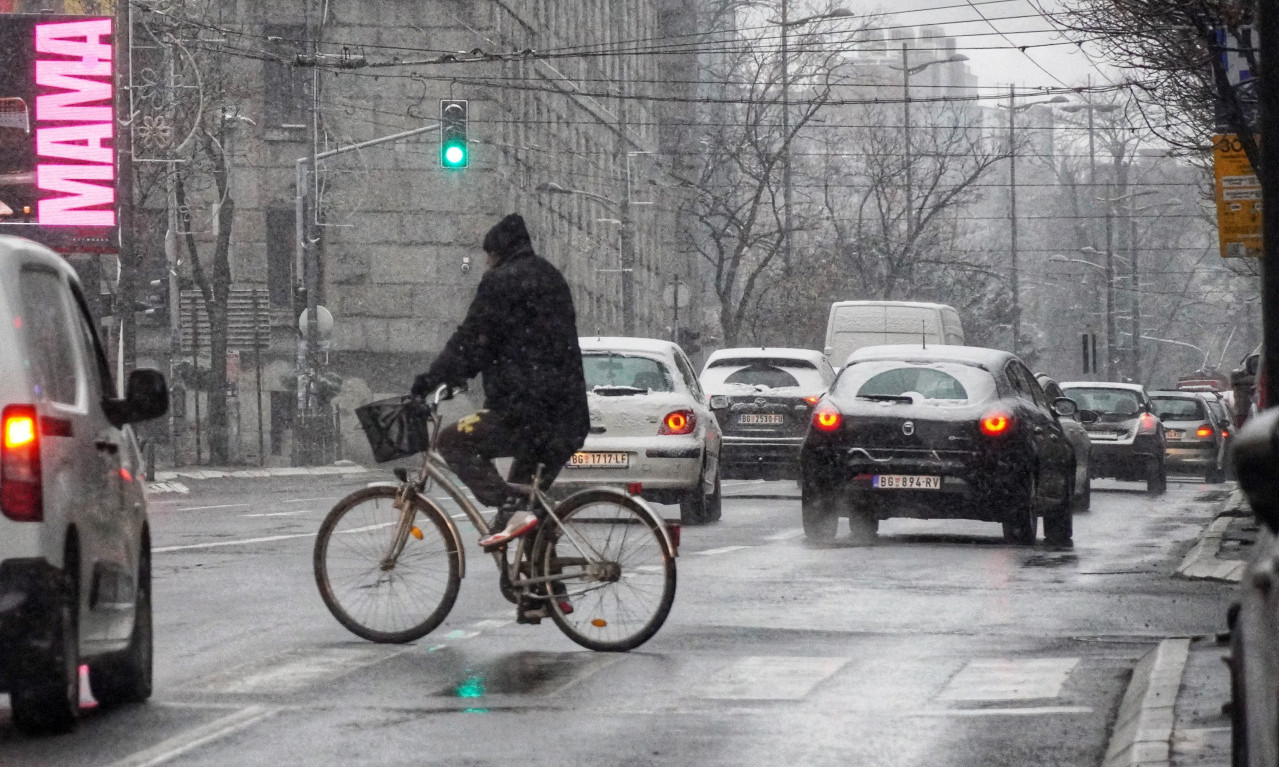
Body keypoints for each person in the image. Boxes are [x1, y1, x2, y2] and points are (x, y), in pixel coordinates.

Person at [411, 213, 589, 551]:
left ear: (496, 252)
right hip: (567, 416)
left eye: (487, 255)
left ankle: (509, 507)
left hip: (527, 414)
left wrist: (430, 381)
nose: (486, 262)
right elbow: (506, 340)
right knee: (525, 515)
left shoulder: (501, 282)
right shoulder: (550, 276)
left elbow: (472, 340)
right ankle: (543, 596)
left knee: (452, 442)